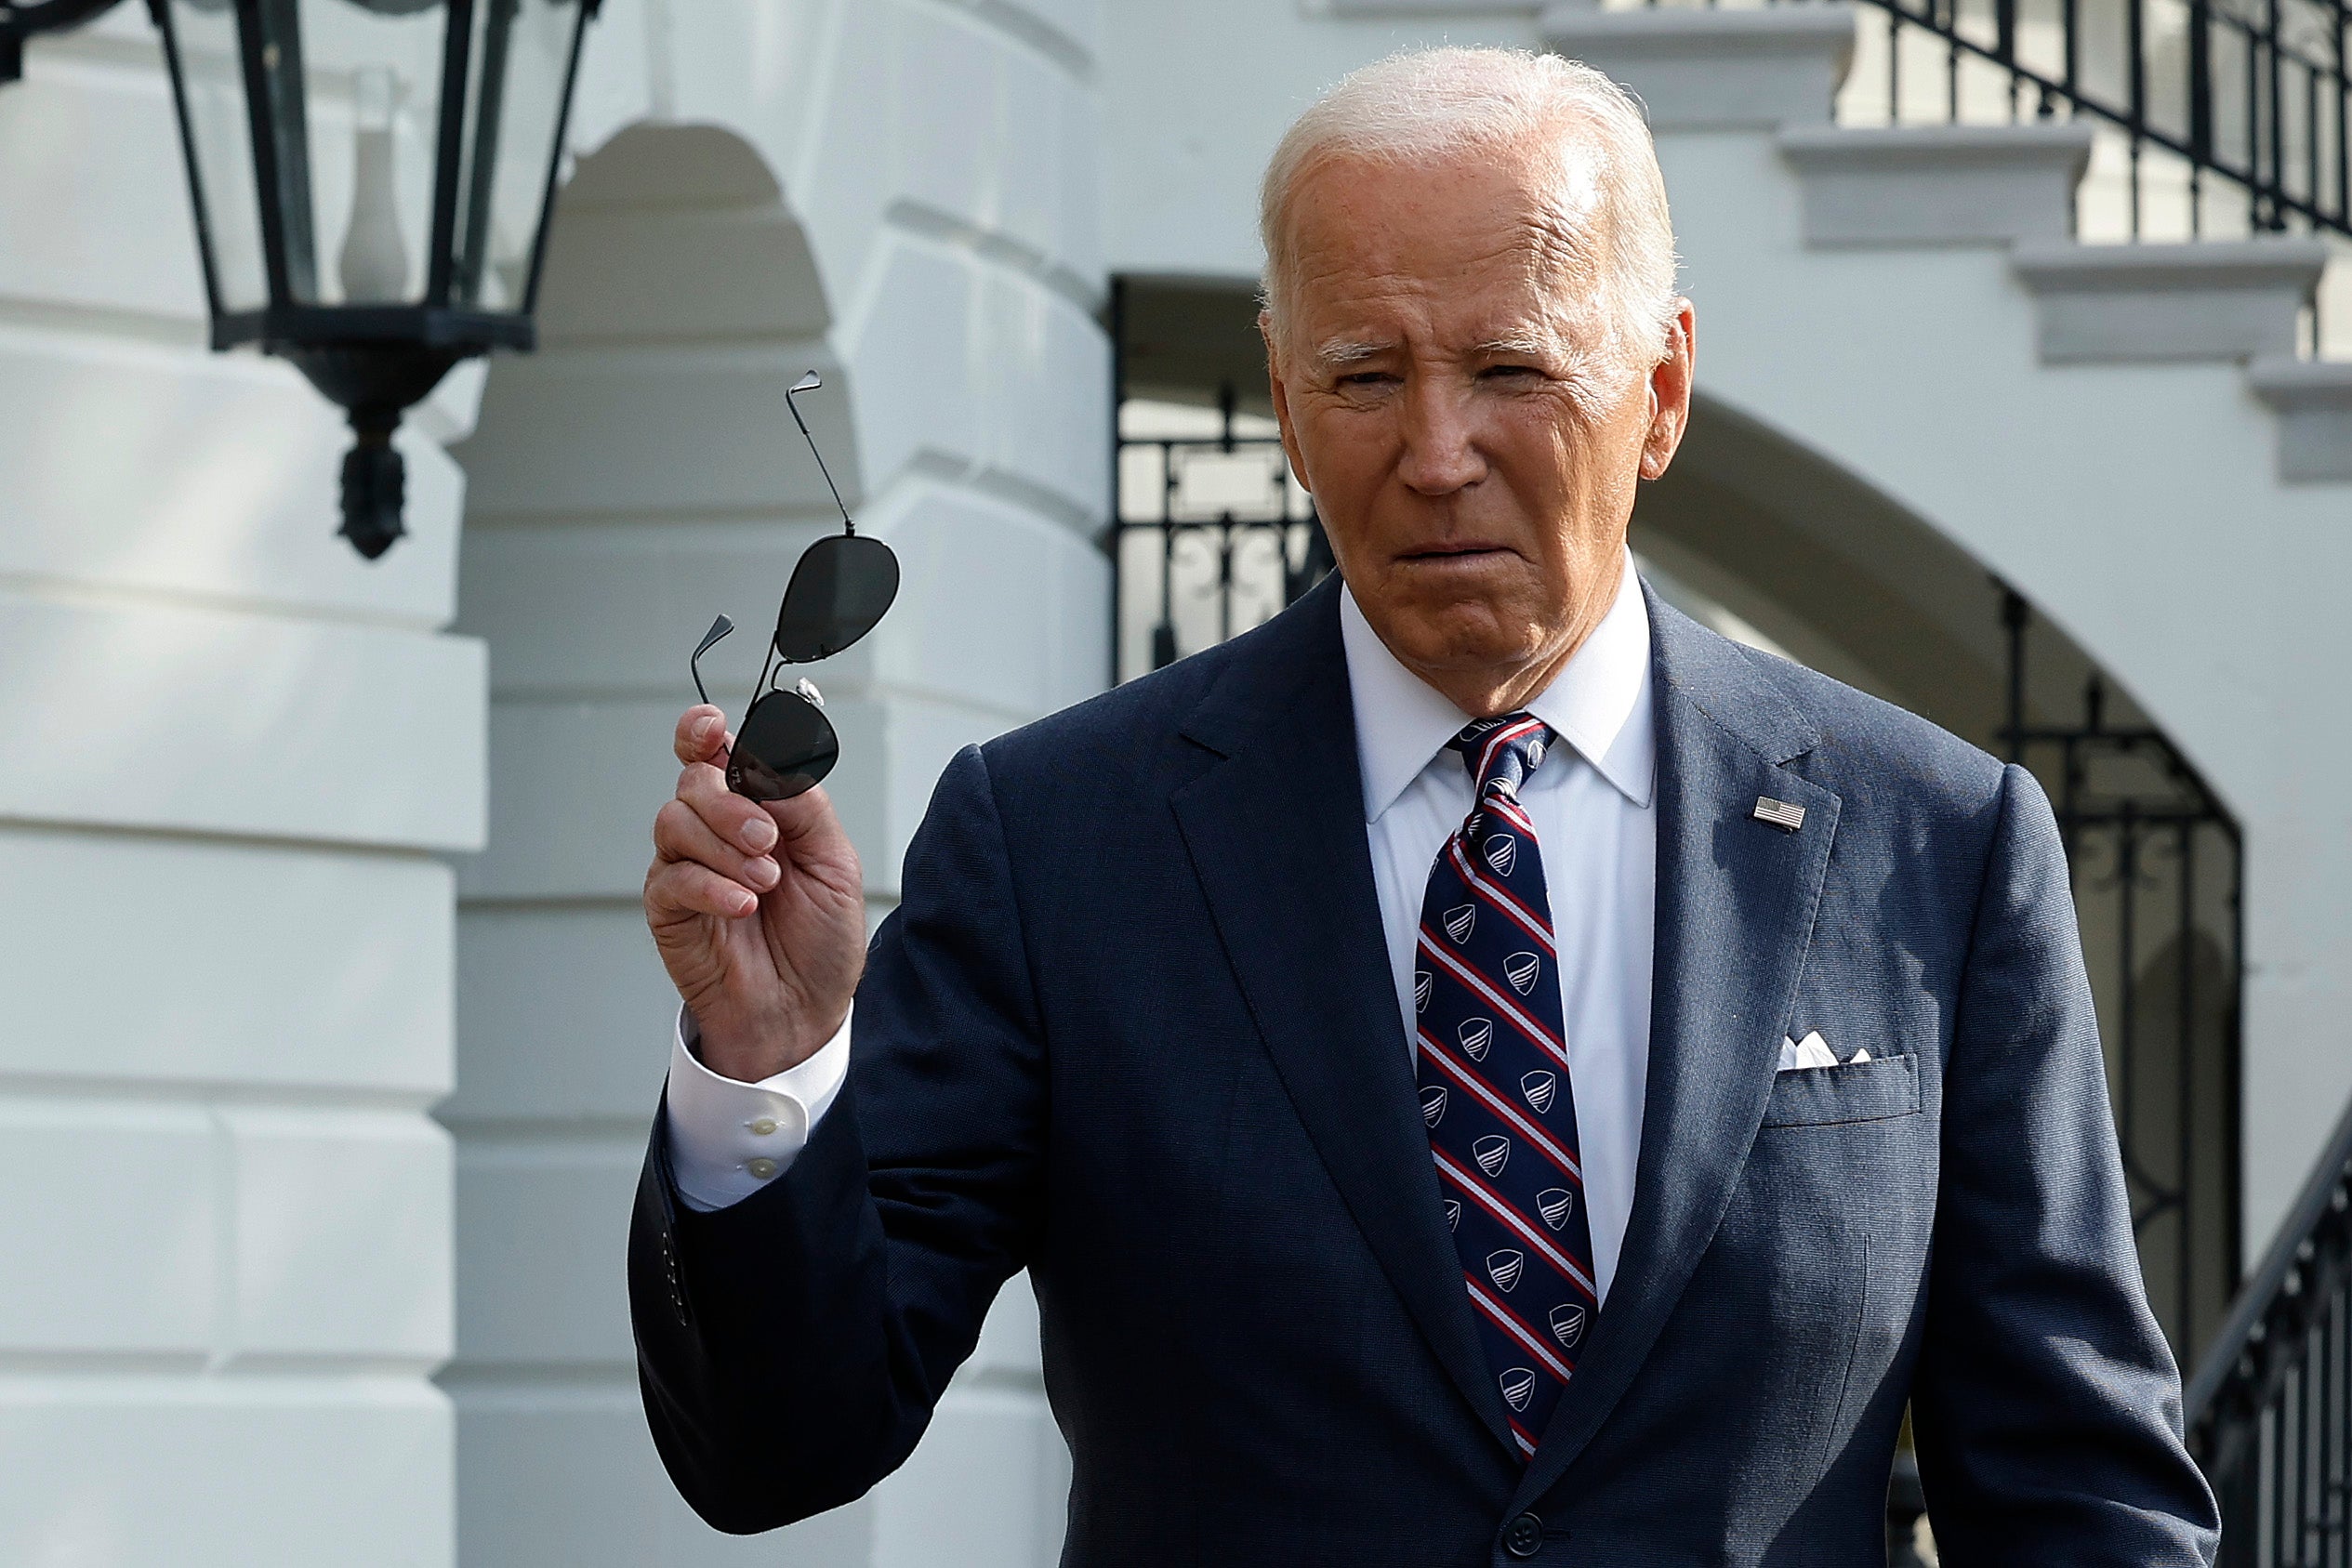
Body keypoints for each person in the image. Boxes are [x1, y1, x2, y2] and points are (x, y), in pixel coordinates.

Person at [629, 46, 2219, 1564]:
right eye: (1364, 374)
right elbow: (782, 1450)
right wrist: (769, 1068)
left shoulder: (1932, 844)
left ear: (1658, 390)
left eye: (1511, 368)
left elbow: (2079, 1496)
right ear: (1281, 394)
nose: (1434, 452)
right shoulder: (1057, 844)